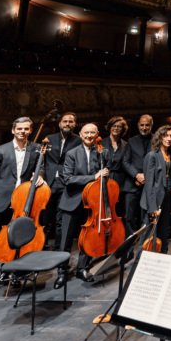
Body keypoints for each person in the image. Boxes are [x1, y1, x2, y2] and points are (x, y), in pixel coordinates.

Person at [0, 117, 46, 295]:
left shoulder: (37, 148)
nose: (22, 131)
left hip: (22, 203)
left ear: (30, 130)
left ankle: (12, 273)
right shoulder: (0, 151)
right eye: (19, 129)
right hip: (0, 203)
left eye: (26, 129)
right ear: (13, 130)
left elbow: (41, 167)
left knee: (16, 242)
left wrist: (40, 175)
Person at [59, 123, 118, 284]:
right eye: (86, 133)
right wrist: (94, 177)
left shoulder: (102, 152)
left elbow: (105, 175)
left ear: (97, 133)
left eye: (93, 132)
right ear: (80, 134)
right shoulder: (72, 153)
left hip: (92, 203)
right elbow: (68, 180)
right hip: (72, 202)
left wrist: (105, 175)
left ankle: (81, 269)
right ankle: (62, 272)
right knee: (66, 240)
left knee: (88, 238)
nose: (89, 135)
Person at [43, 112, 81, 250]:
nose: (67, 124)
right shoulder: (49, 139)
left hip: (66, 184)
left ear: (75, 125)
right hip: (49, 183)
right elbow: (42, 160)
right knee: (44, 219)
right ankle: (42, 246)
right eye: (65, 121)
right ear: (60, 124)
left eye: (70, 122)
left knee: (61, 220)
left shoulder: (79, 141)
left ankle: (58, 247)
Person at [140, 125, 171, 254]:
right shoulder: (152, 156)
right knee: (148, 236)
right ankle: (141, 265)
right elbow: (149, 184)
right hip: (153, 199)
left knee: (163, 233)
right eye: (165, 136)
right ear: (159, 137)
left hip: (166, 198)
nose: (169, 138)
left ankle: (162, 260)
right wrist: (152, 207)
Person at [120, 115, 153, 260]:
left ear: (151, 125)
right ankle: (128, 250)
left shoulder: (157, 140)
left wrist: (145, 176)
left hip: (149, 186)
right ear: (138, 125)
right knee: (130, 220)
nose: (144, 128)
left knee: (145, 219)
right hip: (132, 185)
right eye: (141, 125)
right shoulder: (131, 141)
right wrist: (137, 176)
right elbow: (125, 162)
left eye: (147, 125)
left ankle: (143, 251)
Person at [106, 116, 129, 244]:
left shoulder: (126, 145)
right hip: (104, 181)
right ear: (109, 127)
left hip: (120, 183)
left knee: (118, 213)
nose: (115, 128)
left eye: (118, 126)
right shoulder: (101, 143)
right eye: (113, 126)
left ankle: (117, 239)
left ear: (122, 129)